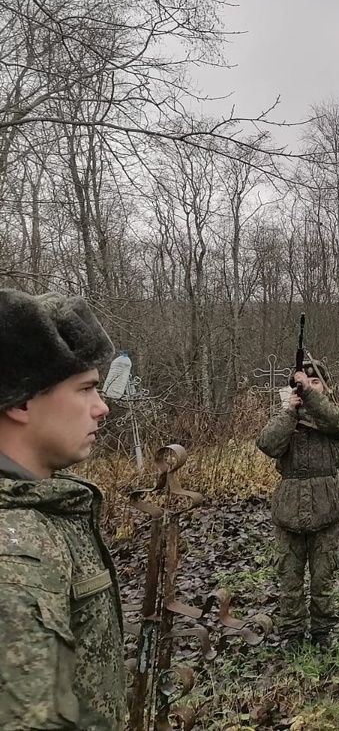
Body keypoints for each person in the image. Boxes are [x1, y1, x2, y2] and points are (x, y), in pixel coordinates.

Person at [0, 289, 126, 729]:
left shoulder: (45, 507)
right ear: (21, 402)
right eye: (86, 389)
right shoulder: (14, 554)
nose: (102, 407)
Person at [256, 356, 339, 652]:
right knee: (290, 576)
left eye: (315, 382)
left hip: (326, 507)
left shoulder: (333, 415)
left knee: (323, 575)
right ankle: (292, 632)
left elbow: (335, 422)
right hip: (289, 510)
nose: (309, 387)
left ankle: (322, 630)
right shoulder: (288, 417)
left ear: (325, 387)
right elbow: (268, 444)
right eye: (303, 383)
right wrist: (290, 412)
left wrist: (308, 395)